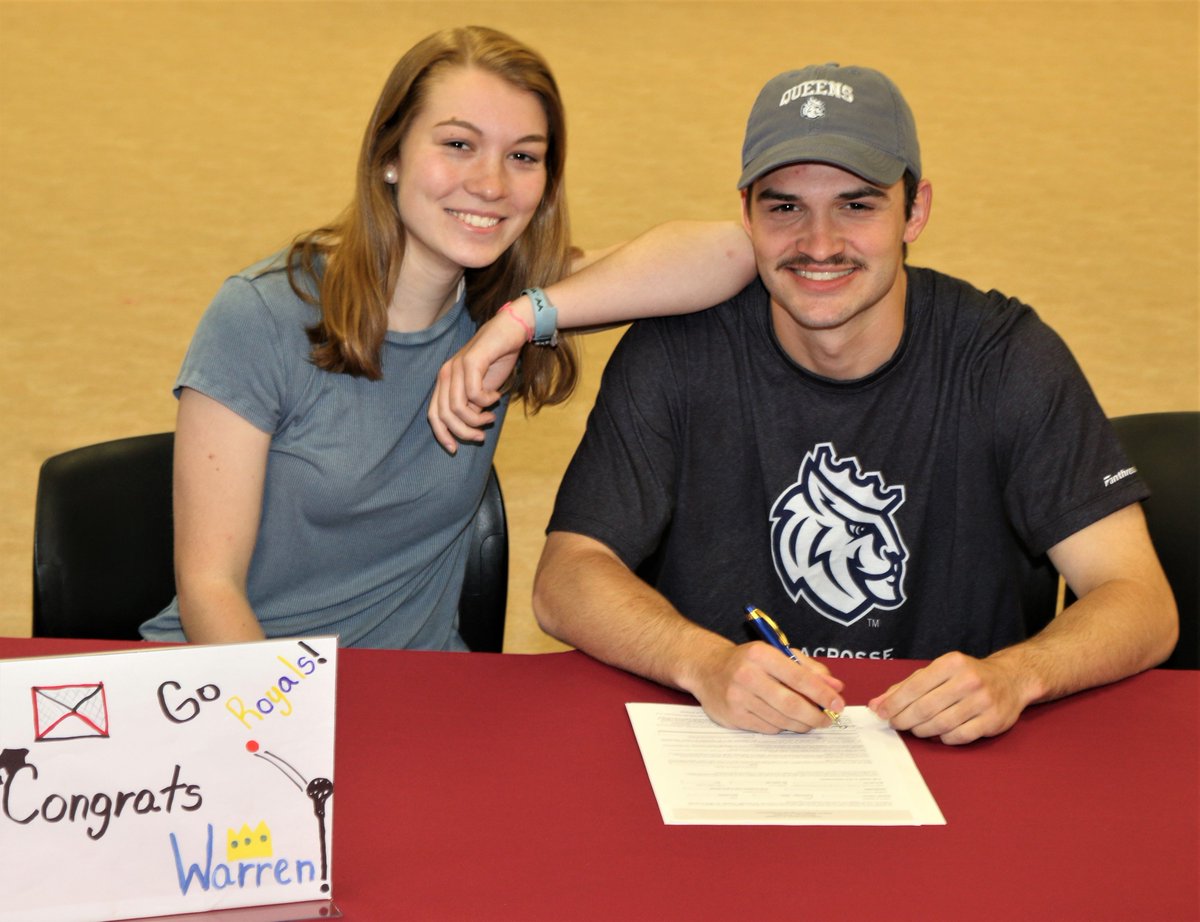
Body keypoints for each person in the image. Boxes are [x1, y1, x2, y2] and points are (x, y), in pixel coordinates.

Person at [528, 63, 1178, 745]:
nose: (819, 243)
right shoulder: (678, 351)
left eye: (857, 204)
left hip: (947, 755)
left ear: (915, 211)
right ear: (746, 212)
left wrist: (1018, 675)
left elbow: (1140, 600)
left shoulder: (1003, 358)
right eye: (786, 207)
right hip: (727, 746)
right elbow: (566, 577)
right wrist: (705, 662)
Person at [139, 26, 754, 649]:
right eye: (459, 144)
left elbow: (732, 251)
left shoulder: (505, 301)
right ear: (390, 155)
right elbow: (209, 589)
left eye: (523, 156)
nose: (491, 184)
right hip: (242, 690)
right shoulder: (263, 315)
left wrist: (516, 322)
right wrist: (284, 727)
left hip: (413, 692)